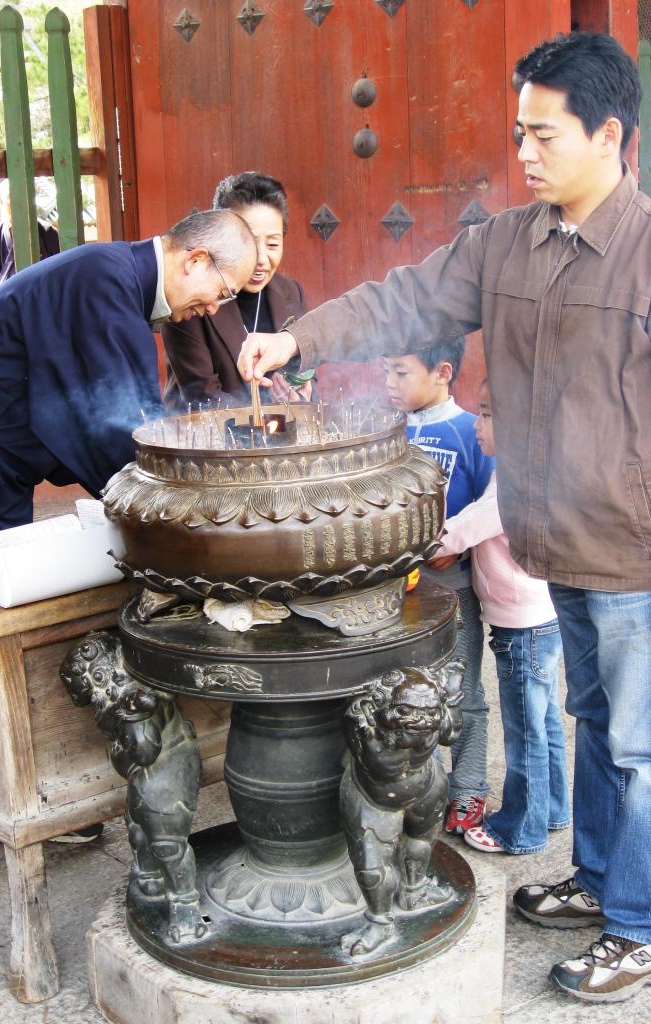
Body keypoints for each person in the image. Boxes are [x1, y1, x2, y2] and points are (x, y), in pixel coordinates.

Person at [239, 31, 651, 1003]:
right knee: (592, 717)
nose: (526, 153)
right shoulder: (508, 241)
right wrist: (298, 340)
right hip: (556, 537)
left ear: (610, 135)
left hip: (634, 545)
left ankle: (637, 926)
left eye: (545, 134)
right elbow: (406, 297)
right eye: (520, 134)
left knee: (638, 744)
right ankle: (599, 878)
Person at [0, 209, 257, 910]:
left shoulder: (115, 284)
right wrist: (178, 515)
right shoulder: (101, 279)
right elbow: (107, 426)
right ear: (194, 261)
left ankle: (2, 791)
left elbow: (102, 414)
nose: (215, 307)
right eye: (223, 290)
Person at [430, 378, 570, 856]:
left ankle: (521, 828)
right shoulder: (525, 470)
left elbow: (469, 525)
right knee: (545, 721)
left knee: (525, 730)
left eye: (488, 414)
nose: (477, 423)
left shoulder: (512, 481)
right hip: (539, 618)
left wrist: (423, 544)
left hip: (522, 626)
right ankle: (552, 809)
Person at [384, 339, 494, 835]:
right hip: (399, 589)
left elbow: (493, 505)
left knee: (462, 689)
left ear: (443, 372)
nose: (390, 384)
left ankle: (468, 788)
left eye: (401, 372)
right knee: (408, 691)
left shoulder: (471, 430)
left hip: (452, 584)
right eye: (386, 372)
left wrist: (460, 546)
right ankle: (416, 788)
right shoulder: (391, 432)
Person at [161, 171, 308, 408]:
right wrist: (268, 414)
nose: (261, 259)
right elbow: (202, 397)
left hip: (280, 429)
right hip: (203, 428)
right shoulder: (191, 295)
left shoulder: (291, 292)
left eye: (272, 244)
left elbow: (306, 373)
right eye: (249, 243)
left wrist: (299, 396)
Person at [0, 179, 60, 285]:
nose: (18, 202)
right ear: (1, 200)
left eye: (23, 196)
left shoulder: (49, 233)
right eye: (11, 196)